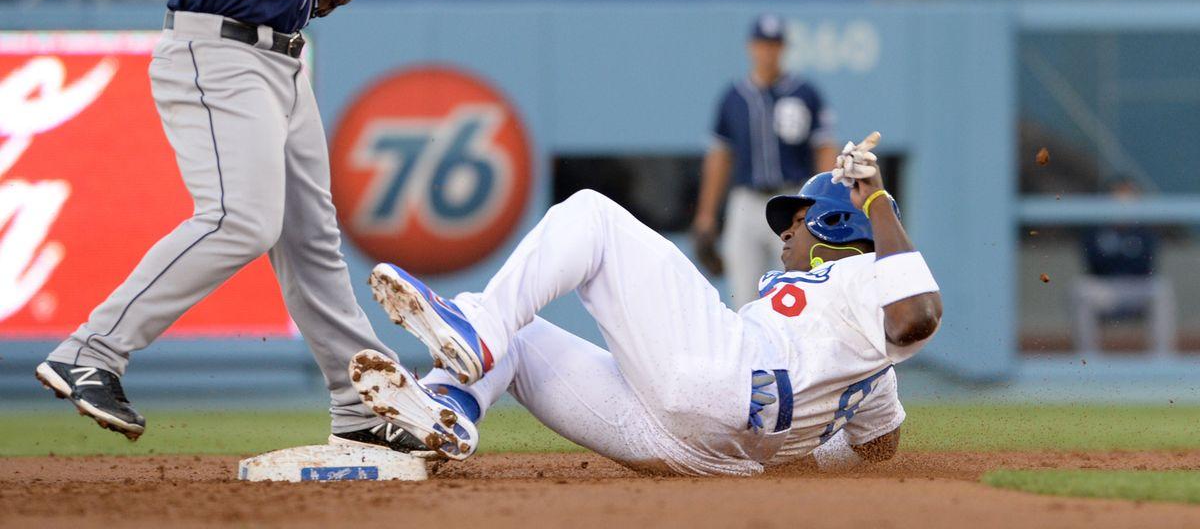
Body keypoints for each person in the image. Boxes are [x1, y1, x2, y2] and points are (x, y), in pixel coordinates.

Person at [35, 0, 437, 456]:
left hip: (273, 55)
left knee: (310, 242)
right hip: (220, 54)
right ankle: (90, 352)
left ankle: (357, 405)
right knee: (240, 220)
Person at [347, 149, 942, 472]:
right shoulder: (871, 363)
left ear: (839, 223)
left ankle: (475, 328)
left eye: (797, 218)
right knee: (520, 338)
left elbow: (915, 315)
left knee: (592, 216)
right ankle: (443, 412)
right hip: (702, 453)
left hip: (724, 377)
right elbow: (879, 448)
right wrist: (806, 433)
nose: (785, 230)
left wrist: (880, 201)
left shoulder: (863, 274)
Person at [693, 14, 838, 307]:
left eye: (774, 44)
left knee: (799, 290)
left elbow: (824, 149)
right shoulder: (734, 97)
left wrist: (827, 203)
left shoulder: (805, 93)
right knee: (743, 297)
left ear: (783, 48)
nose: (768, 51)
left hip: (793, 199)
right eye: (762, 44)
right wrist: (706, 214)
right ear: (751, 47)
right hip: (746, 202)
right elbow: (720, 157)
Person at [1071, 177, 1175, 356]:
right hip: (1106, 289)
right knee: (1078, 290)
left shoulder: (1144, 230)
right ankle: (1088, 360)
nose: (1123, 203)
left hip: (1136, 288)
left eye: (1128, 198)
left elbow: (1145, 264)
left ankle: (1162, 359)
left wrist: (1118, 254)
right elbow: (1093, 263)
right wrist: (1120, 252)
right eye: (1118, 197)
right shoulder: (1096, 229)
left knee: (1162, 289)